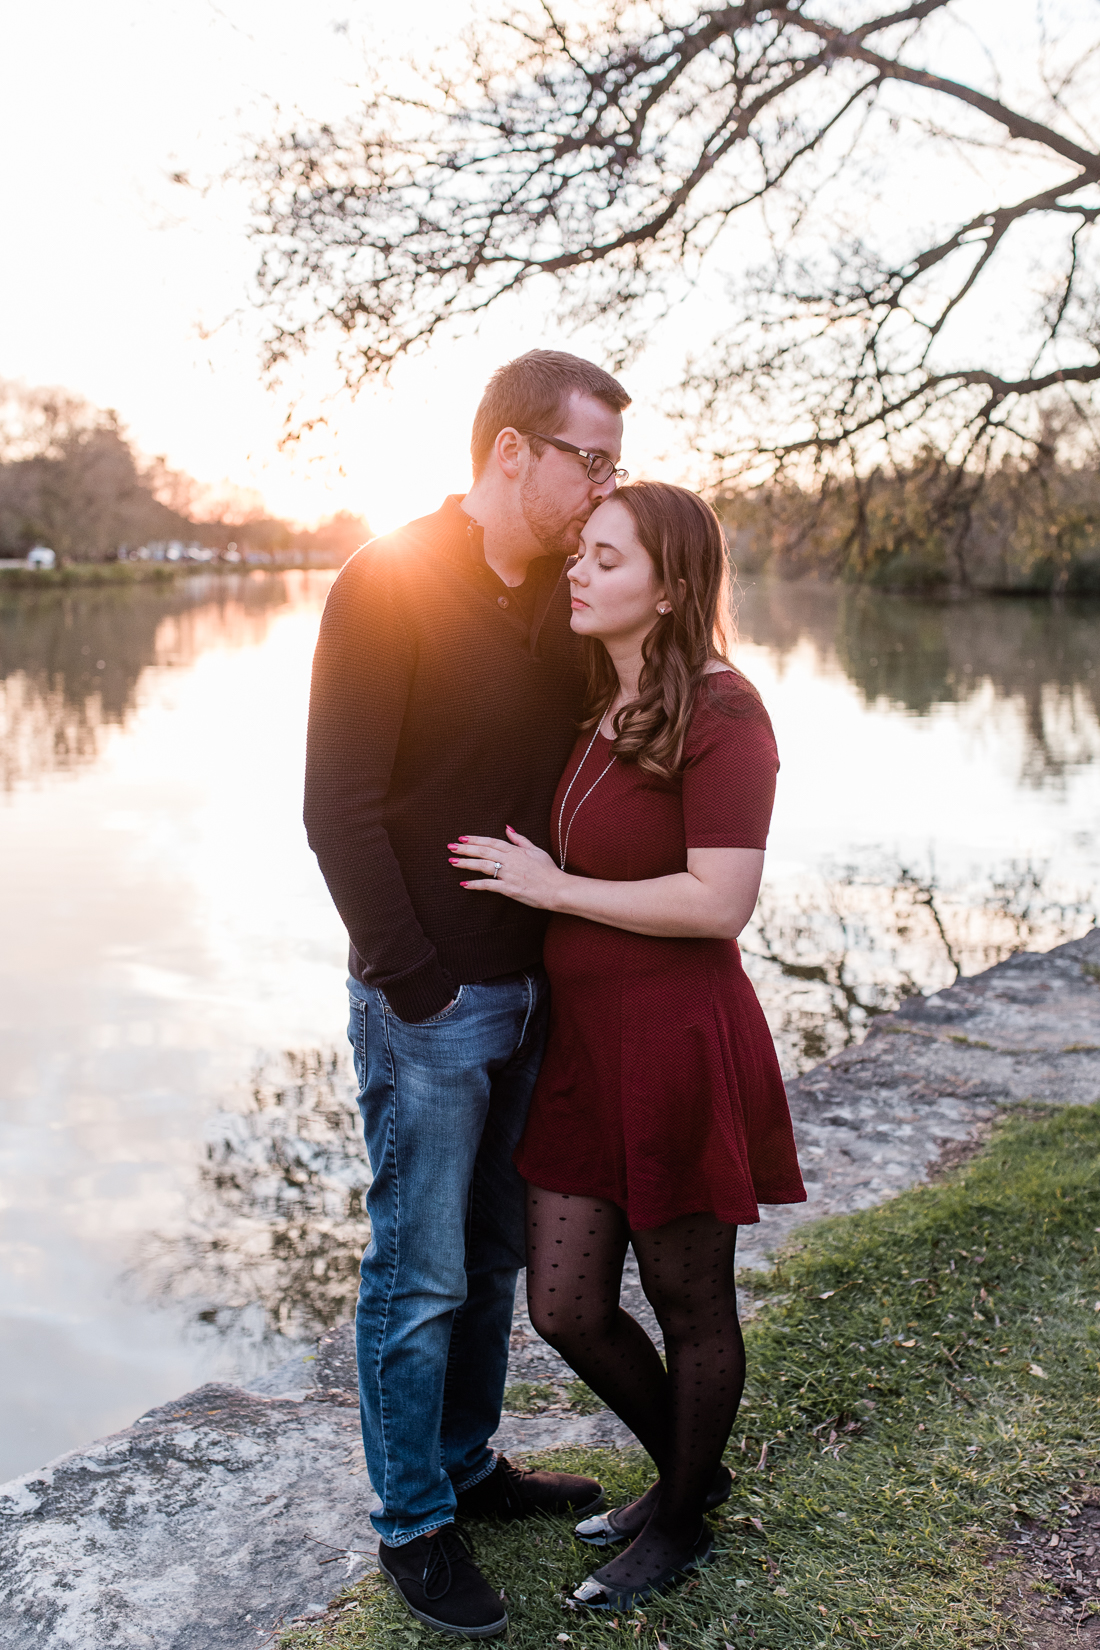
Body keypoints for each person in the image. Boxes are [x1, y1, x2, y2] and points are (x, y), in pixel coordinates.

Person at [303, 351, 633, 1639]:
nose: (605, 483)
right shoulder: (382, 582)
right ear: (512, 453)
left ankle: (466, 1466)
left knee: (494, 1256)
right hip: (428, 1006)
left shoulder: (561, 601)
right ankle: (411, 1525)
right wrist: (417, 983)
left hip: (534, 994)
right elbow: (336, 811)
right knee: (419, 1271)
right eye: (589, 460)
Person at [448, 481, 806, 1613]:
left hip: (676, 1044)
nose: (578, 570)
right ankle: (687, 1477)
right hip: (586, 1049)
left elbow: (718, 902)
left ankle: (681, 1518)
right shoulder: (605, 706)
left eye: (605, 559)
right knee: (563, 1305)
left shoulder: (726, 712)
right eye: (581, 553)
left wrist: (555, 887)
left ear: (669, 586)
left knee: (688, 1301)